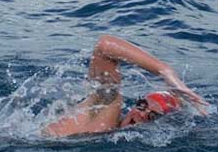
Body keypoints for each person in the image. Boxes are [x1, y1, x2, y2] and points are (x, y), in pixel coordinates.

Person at [44, 35, 208, 137]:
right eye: (142, 106)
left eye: (152, 116)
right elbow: (104, 46)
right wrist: (165, 71)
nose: (141, 114)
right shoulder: (107, 108)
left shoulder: (111, 130)